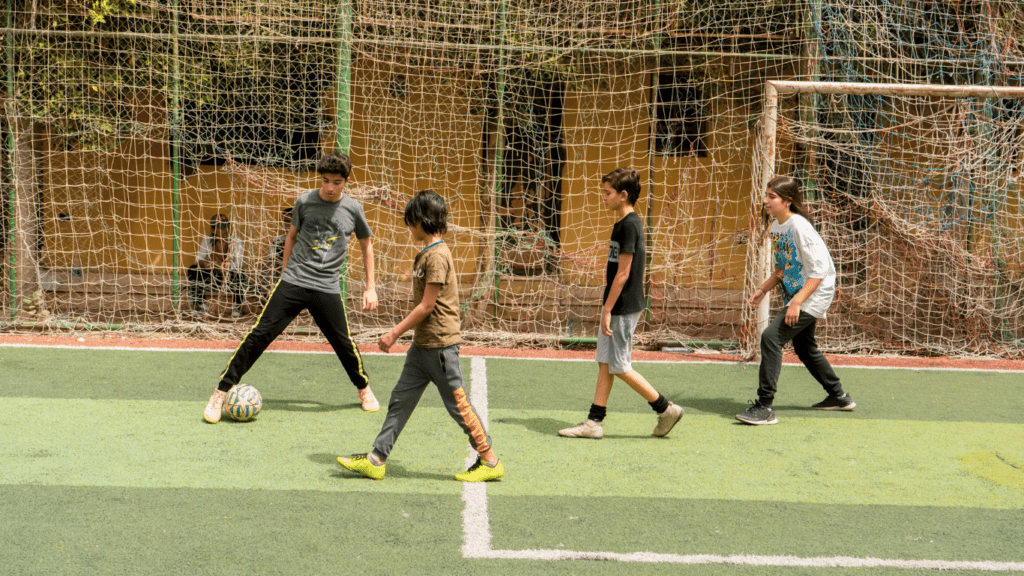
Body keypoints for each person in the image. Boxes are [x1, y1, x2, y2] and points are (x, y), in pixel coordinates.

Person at [337, 190, 504, 482]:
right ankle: (376, 458)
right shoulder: (428, 254)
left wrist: (393, 333)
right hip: (422, 347)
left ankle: (490, 461)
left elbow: (427, 306)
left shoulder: (437, 256)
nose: (408, 227)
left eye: (411, 221)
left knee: (458, 406)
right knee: (400, 400)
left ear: (422, 220)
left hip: (440, 348)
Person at [202, 151, 381, 423]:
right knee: (259, 335)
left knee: (343, 342)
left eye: (336, 181)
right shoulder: (304, 202)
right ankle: (220, 392)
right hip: (295, 281)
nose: (330, 187)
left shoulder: (353, 209)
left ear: (346, 181)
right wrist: (285, 272)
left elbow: (367, 246)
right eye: (325, 181)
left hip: (327, 286)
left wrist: (371, 287)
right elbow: (291, 237)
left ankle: (364, 389)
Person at [558, 168, 684, 440]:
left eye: (607, 193)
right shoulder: (622, 223)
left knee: (619, 365)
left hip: (623, 305)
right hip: (617, 304)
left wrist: (606, 308)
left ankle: (665, 409)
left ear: (623, 195)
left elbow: (623, 273)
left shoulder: (630, 224)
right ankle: (593, 423)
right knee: (605, 362)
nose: (603, 197)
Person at [736, 175, 854, 426]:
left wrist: (797, 303)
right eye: (766, 195)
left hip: (815, 293)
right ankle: (839, 396)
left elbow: (820, 271)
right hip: (801, 293)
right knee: (804, 347)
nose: (766, 200)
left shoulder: (800, 227)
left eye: (772, 197)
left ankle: (764, 407)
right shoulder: (778, 226)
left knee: (771, 337)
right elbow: (783, 267)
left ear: (787, 201)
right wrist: (763, 289)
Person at [186, 213, 250, 317]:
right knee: (193, 270)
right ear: (213, 230)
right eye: (220, 227)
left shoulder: (236, 240)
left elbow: (239, 262)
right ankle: (199, 305)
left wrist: (226, 266)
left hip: (228, 278)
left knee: (240, 273)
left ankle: (237, 306)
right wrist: (204, 264)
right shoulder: (207, 239)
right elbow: (198, 259)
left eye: (226, 226)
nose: (224, 230)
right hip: (211, 277)